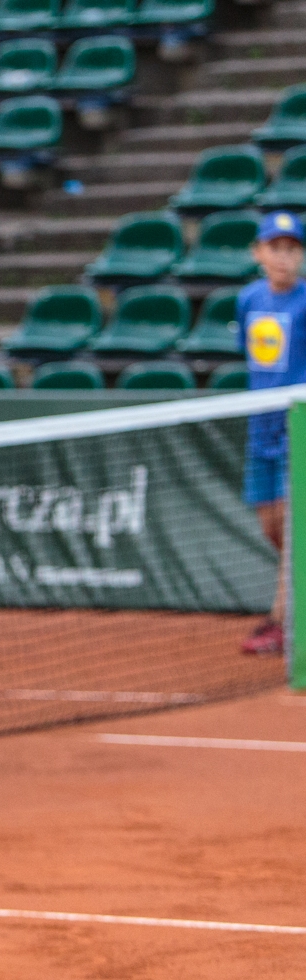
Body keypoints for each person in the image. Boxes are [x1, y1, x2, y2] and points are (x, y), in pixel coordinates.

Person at [238, 210, 306, 656]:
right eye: (275, 248)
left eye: (292, 248)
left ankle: (282, 621)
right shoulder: (247, 300)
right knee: (271, 526)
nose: (283, 257)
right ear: (258, 253)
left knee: (290, 520)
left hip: (298, 424)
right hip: (258, 423)